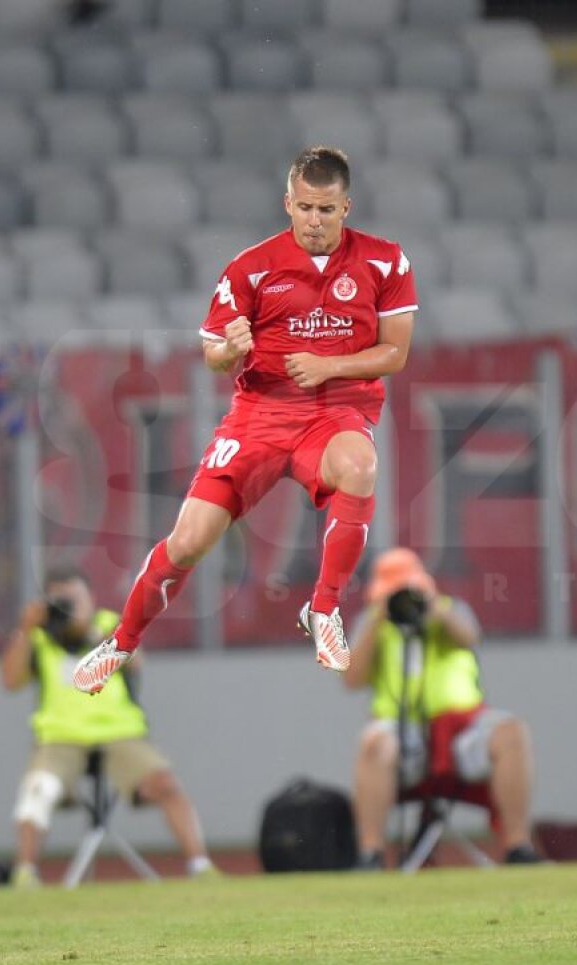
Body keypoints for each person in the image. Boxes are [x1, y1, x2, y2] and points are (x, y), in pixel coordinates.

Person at [73, 146, 417, 692]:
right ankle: (122, 642)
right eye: (304, 207)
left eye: (326, 210)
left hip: (334, 412)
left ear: (346, 207)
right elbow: (213, 352)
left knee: (360, 464)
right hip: (258, 415)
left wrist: (329, 365)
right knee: (188, 542)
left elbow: (395, 354)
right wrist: (229, 350)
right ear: (288, 203)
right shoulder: (252, 267)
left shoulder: (384, 261)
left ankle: (323, 609)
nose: (314, 221)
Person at [0, 567, 217, 887]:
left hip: (121, 734)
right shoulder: (39, 636)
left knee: (166, 783)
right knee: (38, 790)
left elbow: (136, 660)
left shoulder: (108, 626)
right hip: (60, 737)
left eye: (74, 599)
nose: (67, 608)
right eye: (60, 601)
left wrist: (87, 631)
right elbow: (10, 680)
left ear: (91, 599)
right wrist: (25, 628)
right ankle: (25, 873)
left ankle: (201, 866)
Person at [343, 548, 544, 868]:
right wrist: (378, 617)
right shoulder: (373, 623)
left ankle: (518, 846)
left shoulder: (451, 609)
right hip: (400, 731)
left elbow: (469, 636)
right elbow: (352, 679)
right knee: (373, 743)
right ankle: (372, 853)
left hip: (463, 727)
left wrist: (434, 610)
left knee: (512, 732)